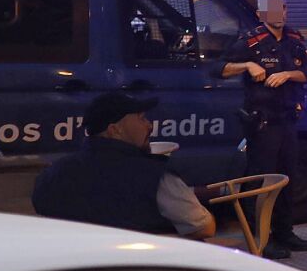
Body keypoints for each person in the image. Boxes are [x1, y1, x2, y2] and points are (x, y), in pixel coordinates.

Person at [32, 91, 216, 238]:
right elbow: (202, 227)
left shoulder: (53, 175)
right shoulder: (154, 177)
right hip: (137, 269)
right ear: (115, 130)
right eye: (141, 118)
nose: (149, 125)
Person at [220, 0, 307, 260]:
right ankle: (261, 238)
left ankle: (285, 232)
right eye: (272, 8)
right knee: (261, 182)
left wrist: (287, 75)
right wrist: (248, 65)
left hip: (288, 120)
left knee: (287, 178)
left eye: (282, 7)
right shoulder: (250, 41)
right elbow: (221, 68)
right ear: (261, 13)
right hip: (262, 123)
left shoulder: (294, 39)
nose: (279, 13)